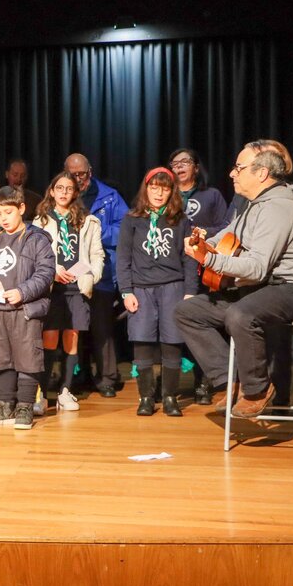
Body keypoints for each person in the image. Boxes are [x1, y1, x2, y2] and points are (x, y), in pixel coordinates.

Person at [176, 142, 293, 418]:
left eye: (239, 168)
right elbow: (229, 234)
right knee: (187, 311)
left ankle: (257, 390)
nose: (232, 173)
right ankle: (229, 380)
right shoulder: (251, 205)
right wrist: (202, 243)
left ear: (262, 173)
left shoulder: (278, 207)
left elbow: (256, 268)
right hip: (258, 289)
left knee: (241, 314)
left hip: (289, 289)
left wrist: (209, 259)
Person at [222, 139, 293, 407]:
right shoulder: (243, 196)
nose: (236, 173)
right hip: (253, 276)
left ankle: (276, 397)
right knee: (221, 313)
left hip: (282, 280)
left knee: (273, 334)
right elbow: (230, 230)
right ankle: (238, 385)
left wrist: (274, 241)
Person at [117, 167, 198, 416]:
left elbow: (190, 258)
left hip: (172, 286)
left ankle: (170, 397)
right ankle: (145, 398)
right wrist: (126, 292)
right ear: (147, 189)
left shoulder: (181, 220)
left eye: (164, 188)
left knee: (172, 341)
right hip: (141, 288)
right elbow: (123, 258)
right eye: (154, 188)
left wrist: (190, 292)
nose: (159, 193)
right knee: (142, 340)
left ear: (171, 191)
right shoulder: (133, 219)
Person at [0, 186, 56, 430]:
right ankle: (5, 404)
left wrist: (22, 291)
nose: (3, 218)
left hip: (25, 310)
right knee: (1, 359)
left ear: (21, 208)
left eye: (8, 212)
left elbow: (45, 273)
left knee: (27, 359)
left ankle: (25, 406)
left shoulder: (36, 239)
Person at [32, 172, 104, 414]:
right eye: (59, 187)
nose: (64, 192)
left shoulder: (88, 220)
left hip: (76, 287)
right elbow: (33, 256)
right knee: (49, 338)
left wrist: (91, 275)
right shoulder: (40, 221)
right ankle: (41, 393)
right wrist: (51, 271)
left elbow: (97, 255)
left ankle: (65, 390)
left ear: (76, 193)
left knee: (72, 338)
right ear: (51, 191)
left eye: (69, 188)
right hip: (51, 288)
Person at [64, 153, 128, 397]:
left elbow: (125, 228)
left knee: (102, 327)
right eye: (73, 174)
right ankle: (79, 374)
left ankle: (107, 378)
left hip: (102, 271)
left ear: (90, 171)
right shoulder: (62, 193)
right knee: (76, 326)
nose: (79, 179)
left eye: (82, 173)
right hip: (71, 273)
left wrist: (96, 233)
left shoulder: (109, 196)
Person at [168, 148, 229, 404]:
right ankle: (168, 385)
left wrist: (198, 232)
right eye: (175, 163)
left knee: (204, 325)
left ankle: (204, 382)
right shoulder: (165, 194)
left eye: (185, 162)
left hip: (204, 269)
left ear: (195, 167)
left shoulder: (211, 195)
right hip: (173, 270)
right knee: (173, 326)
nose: (180, 166)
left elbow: (227, 226)